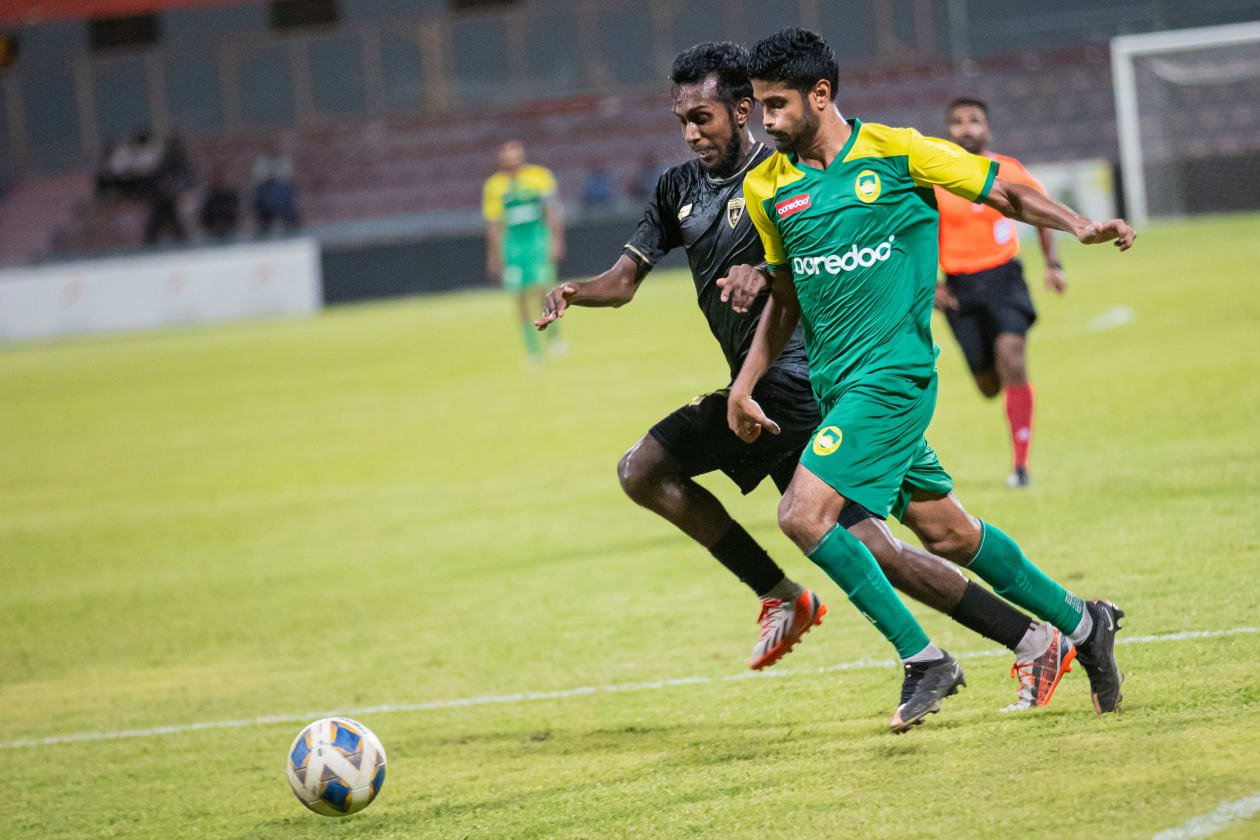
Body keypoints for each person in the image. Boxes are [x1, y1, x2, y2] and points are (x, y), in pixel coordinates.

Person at [535, 42, 1076, 714]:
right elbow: (623, 282)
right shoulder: (679, 189)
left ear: (742, 111)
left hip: (798, 384)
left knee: (666, 475)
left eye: (703, 117)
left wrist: (759, 277)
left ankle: (860, 628)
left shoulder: (786, 169)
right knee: (912, 538)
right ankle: (1047, 633)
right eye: (682, 121)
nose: (691, 133)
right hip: (799, 385)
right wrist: (578, 290)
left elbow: (803, 267)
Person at [723, 28, 1133, 731]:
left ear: (820, 94)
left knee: (801, 515)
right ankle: (1084, 622)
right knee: (947, 534)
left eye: (778, 104)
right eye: (761, 105)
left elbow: (1003, 191)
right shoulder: (768, 187)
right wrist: (746, 383)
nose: (767, 120)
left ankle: (924, 659)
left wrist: (1077, 224)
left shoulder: (898, 150)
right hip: (836, 388)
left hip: (894, 379)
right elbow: (785, 297)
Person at [936, 97, 1066, 487]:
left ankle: (1020, 466)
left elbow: (1043, 211)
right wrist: (929, 286)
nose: (966, 128)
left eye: (974, 120)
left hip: (1005, 278)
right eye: (958, 121)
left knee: (1012, 356)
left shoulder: (1008, 171)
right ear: (949, 130)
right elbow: (912, 233)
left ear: (987, 129)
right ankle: (993, 379)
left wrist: (1053, 264)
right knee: (989, 385)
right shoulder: (936, 178)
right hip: (959, 288)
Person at [483, 140, 566, 362]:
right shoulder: (494, 186)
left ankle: (554, 338)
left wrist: (556, 239)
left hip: (537, 242)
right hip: (512, 247)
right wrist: (493, 256)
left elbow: (552, 211)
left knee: (543, 291)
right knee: (519, 298)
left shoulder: (540, 177)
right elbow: (494, 224)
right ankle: (532, 349)